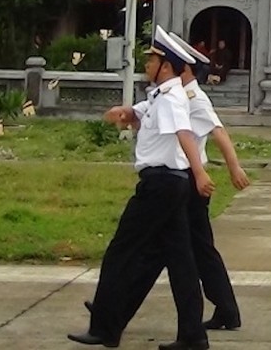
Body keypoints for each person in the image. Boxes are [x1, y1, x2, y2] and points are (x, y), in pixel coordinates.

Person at [67, 26, 213, 350]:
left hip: (160, 185)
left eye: (152, 60)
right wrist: (128, 113)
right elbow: (144, 111)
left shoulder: (171, 99)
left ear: (167, 67)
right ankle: (192, 335)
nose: (147, 64)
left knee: (121, 252)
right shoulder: (162, 95)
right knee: (180, 261)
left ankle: (104, 328)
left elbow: (184, 134)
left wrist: (200, 172)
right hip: (170, 185)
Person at [113, 30, 249, 332]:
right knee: (177, 251)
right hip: (181, 180)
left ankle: (114, 309)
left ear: (183, 68)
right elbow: (144, 114)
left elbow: (219, 132)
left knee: (182, 252)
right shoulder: (169, 95)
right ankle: (113, 309)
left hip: (188, 182)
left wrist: (234, 168)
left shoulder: (193, 98)